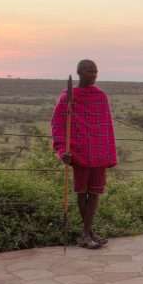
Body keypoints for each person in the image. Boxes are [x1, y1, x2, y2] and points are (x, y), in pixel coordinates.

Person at [50, 59, 117, 250]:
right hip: (79, 152)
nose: (93, 75)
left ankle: (88, 232)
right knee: (82, 192)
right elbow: (58, 125)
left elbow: (106, 127)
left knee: (95, 192)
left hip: (99, 152)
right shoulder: (68, 98)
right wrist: (62, 150)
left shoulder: (100, 96)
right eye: (89, 71)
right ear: (79, 73)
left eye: (95, 71)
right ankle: (86, 233)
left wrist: (109, 152)